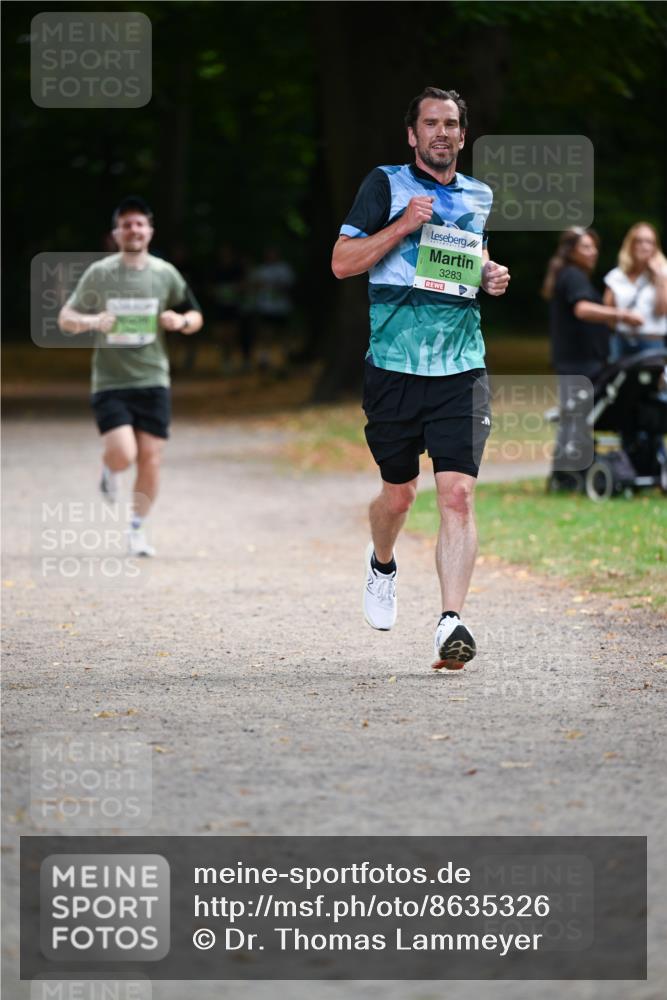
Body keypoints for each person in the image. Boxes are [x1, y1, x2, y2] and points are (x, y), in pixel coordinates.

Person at [331, 86, 510, 670]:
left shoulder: (478, 195)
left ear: (463, 135)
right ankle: (382, 563)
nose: (441, 132)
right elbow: (342, 262)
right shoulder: (384, 185)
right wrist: (403, 225)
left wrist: (488, 275)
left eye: (450, 124)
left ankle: (450, 621)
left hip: (462, 367)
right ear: (412, 135)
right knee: (400, 492)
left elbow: (462, 263)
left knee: (456, 494)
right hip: (394, 367)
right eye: (430, 123)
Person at [58, 196, 203, 556]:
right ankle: (110, 469)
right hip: (111, 381)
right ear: (116, 233)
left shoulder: (165, 273)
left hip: (153, 379)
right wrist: (93, 321)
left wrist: (180, 321)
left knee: (151, 457)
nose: (133, 230)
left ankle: (137, 529)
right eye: (126, 225)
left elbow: (195, 315)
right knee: (124, 454)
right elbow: (65, 317)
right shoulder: (100, 274)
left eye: (139, 224)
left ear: (150, 231)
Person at [541, 227, 643, 490]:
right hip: (578, 362)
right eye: (586, 246)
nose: (593, 251)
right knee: (576, 419)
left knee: (576, 417)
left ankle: (566, 476)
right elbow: (583, 309)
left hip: (580, 361)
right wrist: (620, 315)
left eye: (594, 246)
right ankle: (566, 477)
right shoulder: (573, 276)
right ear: (571, 251)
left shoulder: (571, 275)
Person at [603, 222, 667, 361]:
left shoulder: (663, 273)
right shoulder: (616, 276)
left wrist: (659, 278)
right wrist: (624, 319)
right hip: (621, 342)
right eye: (639, 241)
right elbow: (607, 313)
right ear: (631, 245)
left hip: (652, 343)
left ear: (655, 247)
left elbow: (662, 310)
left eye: (649, 242)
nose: (644, 246)